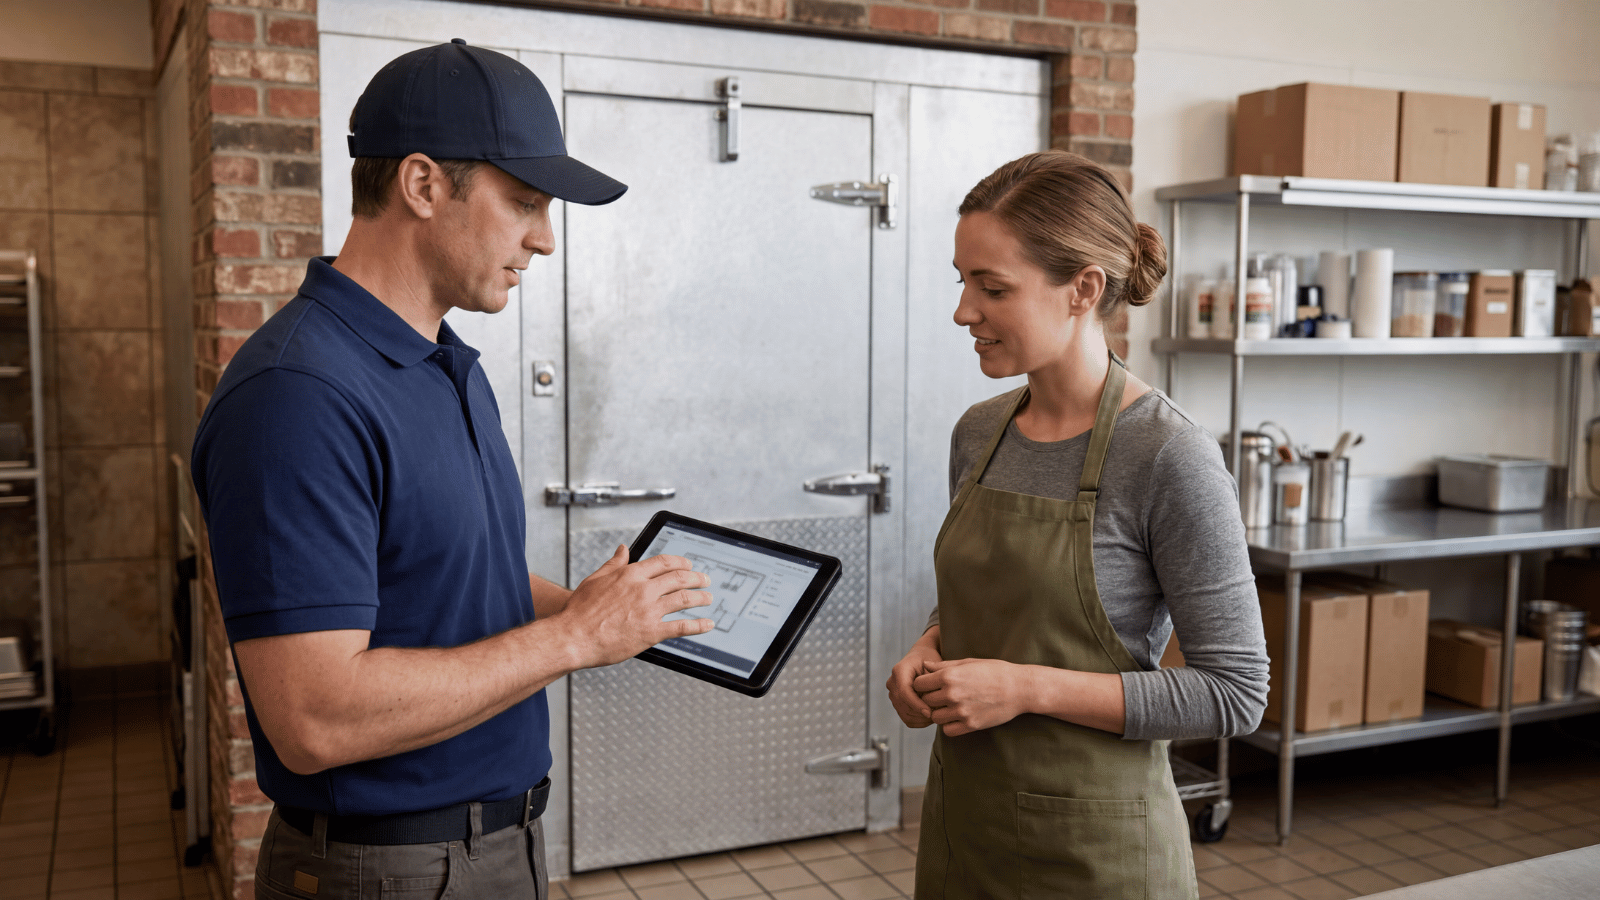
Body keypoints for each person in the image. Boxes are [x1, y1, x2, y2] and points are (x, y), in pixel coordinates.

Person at [191, 40, 715, 900]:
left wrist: (583, 605)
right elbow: (314, 718)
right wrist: (574, 638)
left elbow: (443, 577)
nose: (544, 240)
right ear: (425, 184)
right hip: (384, 870)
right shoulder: (298, 396)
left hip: (492, 846)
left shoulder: (442, 361)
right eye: (524, 204)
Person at [885, 150, 1269, 899]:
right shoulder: (979, 432)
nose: (964, 311)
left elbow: (1234, 693)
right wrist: (930, 647)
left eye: (992, 287)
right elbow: (990, 594)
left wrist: (1025, 688)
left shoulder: (1166, 454)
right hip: (967, 835)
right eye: (962, 281)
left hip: (1099, 856)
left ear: (1082, 290)